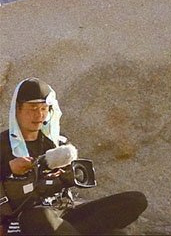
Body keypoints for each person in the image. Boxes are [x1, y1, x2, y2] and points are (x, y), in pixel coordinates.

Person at [1, 78, 148, 235]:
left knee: (135, 201)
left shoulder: (57, 143)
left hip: (62, 212)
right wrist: (9, 168)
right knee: (39, 216)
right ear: (17, 109)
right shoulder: (3, 144)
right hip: (24, 218)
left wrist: (64, 176)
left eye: (44, 109)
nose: (39, 115)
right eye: (33, 109)